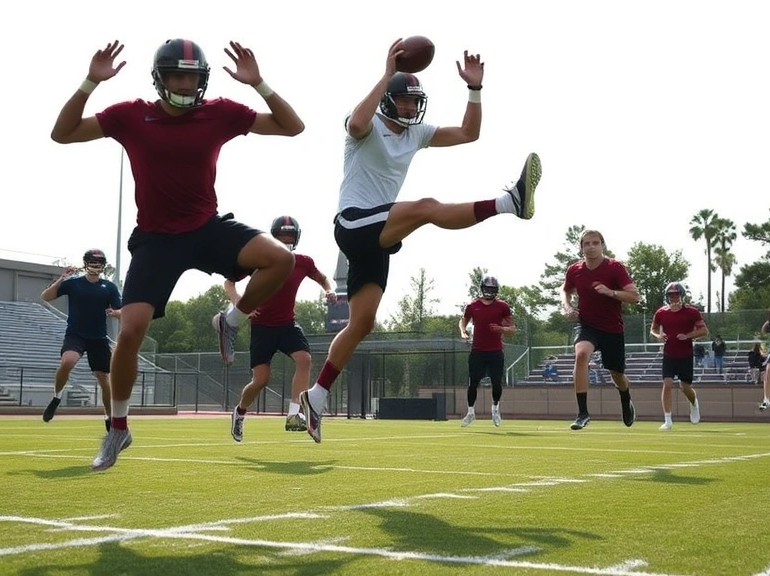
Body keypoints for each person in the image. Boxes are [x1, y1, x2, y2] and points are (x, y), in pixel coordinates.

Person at [50, 38, 305, 471]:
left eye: (192, 76)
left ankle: (231, 319)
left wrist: (258, 82)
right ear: (161, 79)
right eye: (177, 75)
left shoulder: (220, 112)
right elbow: (63, 133)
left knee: (281, 258)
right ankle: (118, 428)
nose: (186, 83)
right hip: (155, 240)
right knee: (130, 333)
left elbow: (292, 126)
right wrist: (91, 81)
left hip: (206, 228)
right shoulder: (132, 114)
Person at [297, 39, 542, 443]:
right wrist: (384, 73)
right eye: (405, 102)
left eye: (416, 102)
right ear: (388, 100)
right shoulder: (366, 123)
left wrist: (474, 89)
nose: (412, 109)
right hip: (353, 223)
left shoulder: (417, 133)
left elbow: (468, 133)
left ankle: (317, 395)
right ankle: (508, 202)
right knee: (427, 206)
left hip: (378, 235)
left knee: (362, 323)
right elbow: (356, 124)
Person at [225, 216, 336, 442]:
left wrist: (329, 290)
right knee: (261, 379)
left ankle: (295, 414)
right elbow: (229, 282)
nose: (286, 241)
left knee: (304, 359)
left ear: (296, 240)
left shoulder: (303, 262)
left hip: (287, 325)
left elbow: (323, 278)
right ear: (273, 237)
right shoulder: (260, 259)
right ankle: (239, 413)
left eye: (290, 238)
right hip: (261, 328)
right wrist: (238, 301)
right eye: (281, 237)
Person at [560, 229, 640, 430]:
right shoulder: (575, 270)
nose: (591, 247)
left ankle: (625, 398)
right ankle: (583, 413)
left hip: (612, 329)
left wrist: (610, 292)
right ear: (581, 247)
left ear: (602, 245)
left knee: (617, 375)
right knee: (581, 356)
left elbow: (634, 296)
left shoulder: (615, 267)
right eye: (586, 243)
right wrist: (568, 307)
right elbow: (565, 290)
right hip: (587, 325)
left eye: (595, 243)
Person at [39, 249, 121, 431]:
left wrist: (115, 313)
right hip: (76, 334)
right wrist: (62, 278)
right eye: (93, 261)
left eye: (99, 262)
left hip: (98, 337)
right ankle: (57, 397)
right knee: (68, 361)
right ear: (85, 262)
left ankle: (109, 417)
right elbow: (45, 297)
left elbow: (121, 310)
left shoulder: (109, 287)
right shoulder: (74, 284)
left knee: (103, 378)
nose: (96, 265)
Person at [458, 275, 516, 427]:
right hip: (478, 350)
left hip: (495, 351)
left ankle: (495, 409)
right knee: (473, 383)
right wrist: (463, 331)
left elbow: (512, 329)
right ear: (482, 289)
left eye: (492, 289)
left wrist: (501, 328)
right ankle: (470, 412)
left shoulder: (502, 306)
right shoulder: (473, 305)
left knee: (496, 383)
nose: (489, 292)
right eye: (487, 289)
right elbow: (463, 319)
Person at [649, 282, 708, 430]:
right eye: (671, 295)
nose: (674, 297)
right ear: (667, 297)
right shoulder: (661, 312)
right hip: (669, 354)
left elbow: (703, 331)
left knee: (685, 387)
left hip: (686, 354)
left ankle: (694, 403)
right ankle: (668, 419)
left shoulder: (692, 312)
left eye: (677, 294)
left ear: (681, 295)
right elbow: (653, 330)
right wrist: (659, 336)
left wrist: (687, 335)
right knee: (667, 384)